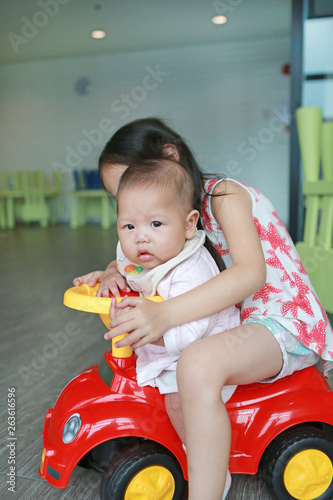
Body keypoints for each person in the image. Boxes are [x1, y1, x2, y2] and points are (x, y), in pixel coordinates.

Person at [74, 117, 333, 500]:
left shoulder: (222, 196)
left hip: (282, 321)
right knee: (170, 373)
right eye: (122, 201)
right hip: (233, 320)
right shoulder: (167, 219)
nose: (133, 200)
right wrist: (113, 271)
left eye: (137, 180)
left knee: (196, 363)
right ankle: (204, 463)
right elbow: (145, 261)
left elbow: (250, 274)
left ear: (169, 157)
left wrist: (164, 314)